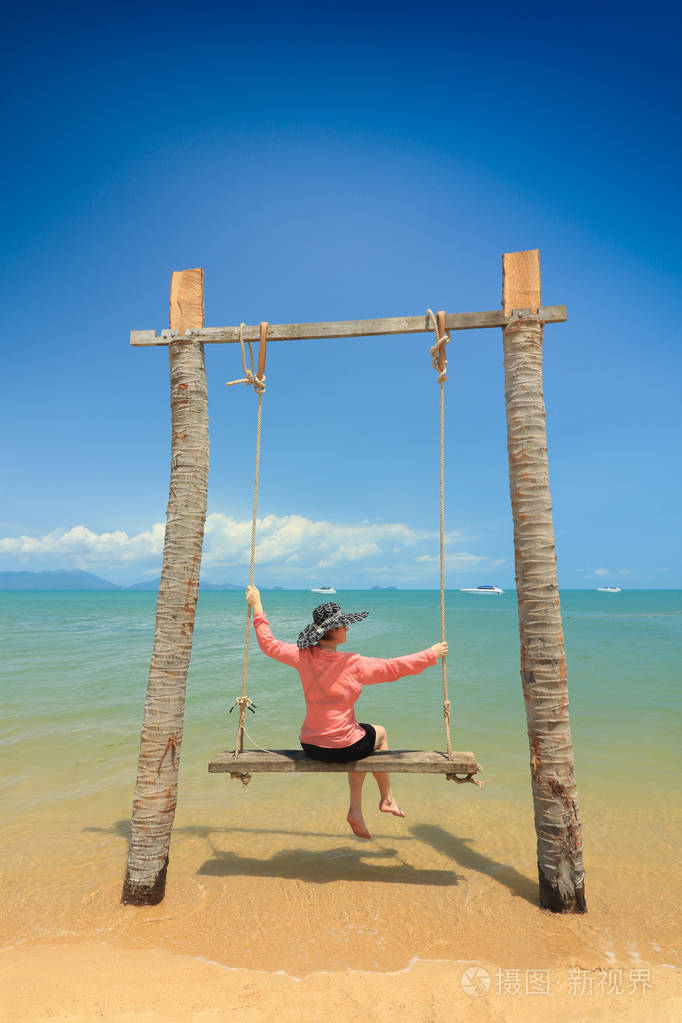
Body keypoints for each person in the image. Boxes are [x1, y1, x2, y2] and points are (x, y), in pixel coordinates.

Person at [245, 585, 448, 840]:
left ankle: (358, 811)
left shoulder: (302, 657)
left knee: (359, 733)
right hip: (344, 748)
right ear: (333, 631)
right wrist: (431, 654)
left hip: (311, 745)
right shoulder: (354, 664)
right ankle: (385, 799)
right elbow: (395, 668)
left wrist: (257, 605)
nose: (348, 628)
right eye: (344, 625)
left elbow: (268, 644)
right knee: (379, 734)